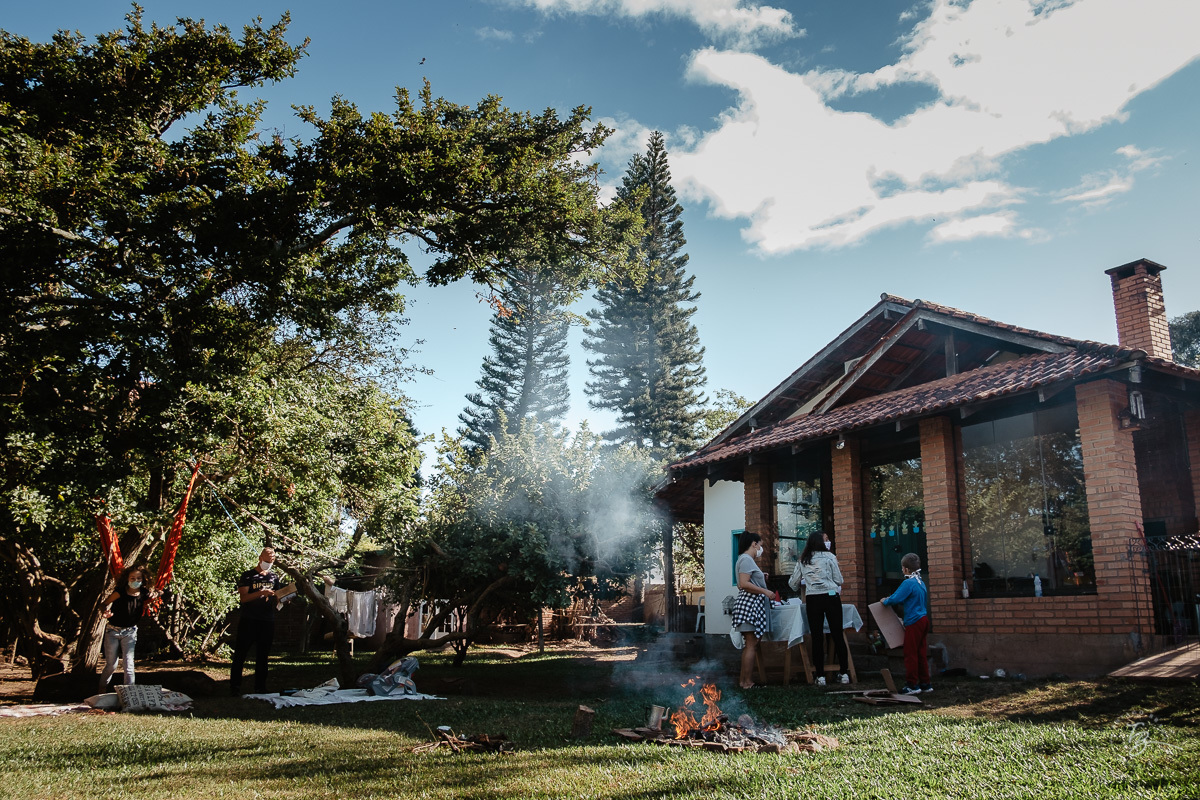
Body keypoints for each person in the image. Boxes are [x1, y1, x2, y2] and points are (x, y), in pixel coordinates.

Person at [792, 529, 850, 686]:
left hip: (813, 598)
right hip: (831, 595)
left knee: (816, 636)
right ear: (821, 542)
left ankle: (820, 676)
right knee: (837, 633)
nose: (828, 542)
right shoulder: (830, 557)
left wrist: (807, 581)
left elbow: (793, 583)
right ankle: (844, 673)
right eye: (826, 539)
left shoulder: (803, 559)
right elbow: (839, 579)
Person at [230, 547, 284, 695]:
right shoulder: (248, 576)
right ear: (260, 558)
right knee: (241, 653)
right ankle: (235, 686)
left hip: (267, 620)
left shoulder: (273, 577)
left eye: (272, 561)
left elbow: (278, 595)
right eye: (267, 561)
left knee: (263, 655)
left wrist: (284, 598)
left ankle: (260, 686)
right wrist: (261, 593)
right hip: (249, 619)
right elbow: (244, 598)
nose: (269, 564)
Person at [98, 565, 158, 694]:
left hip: (130, 632)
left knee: (129, 664)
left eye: (138, 578)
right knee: (111, 665)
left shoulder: (144, 593)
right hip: (112, 631)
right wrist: (105, 612)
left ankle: (130, 694)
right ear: (127, 579)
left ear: (143, 580)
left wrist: (156, 594)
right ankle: (101, 690)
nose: (135, 580)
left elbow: (154, 595)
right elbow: (103, 604)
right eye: (132, 578)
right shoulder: (120, 592)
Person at [881, 552, 931, 694]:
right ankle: (925, 683)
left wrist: (885, 601)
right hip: (923, 619)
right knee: (921, 653)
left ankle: (912, 685)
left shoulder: (908, 583)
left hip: (914, 621)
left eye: (902, 568)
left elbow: (895, 599)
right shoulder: (920, 583)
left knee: (910, 653)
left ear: (905, 569)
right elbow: (909, 599)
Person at [732, 530, 776, 690]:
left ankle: (744, 681)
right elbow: (743, 583)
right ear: (754, 544)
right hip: (750, 606)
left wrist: (760, 578)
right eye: (760, 545)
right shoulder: (747, 559)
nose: (761, 549)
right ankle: (747, 682)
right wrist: (765, 591)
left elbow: (744, 581)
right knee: (751, 644)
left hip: (749, 605)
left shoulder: (743, 560)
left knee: (749, 644)